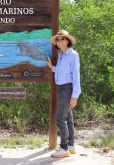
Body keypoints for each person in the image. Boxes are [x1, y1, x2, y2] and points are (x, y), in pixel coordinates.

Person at [47, 30, 81, 158]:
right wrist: (53, 67)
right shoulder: (61, 55)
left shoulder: (73, 55)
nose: (60, 42)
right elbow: (62, 71)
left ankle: (64, 148)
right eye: (58, 39)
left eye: (62, 39)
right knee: (68, 118)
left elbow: (76, 76)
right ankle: (71, 145)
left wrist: (75, 95)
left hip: (67, 89)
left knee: (60, 118)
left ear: (68, 41)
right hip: (61, 88)